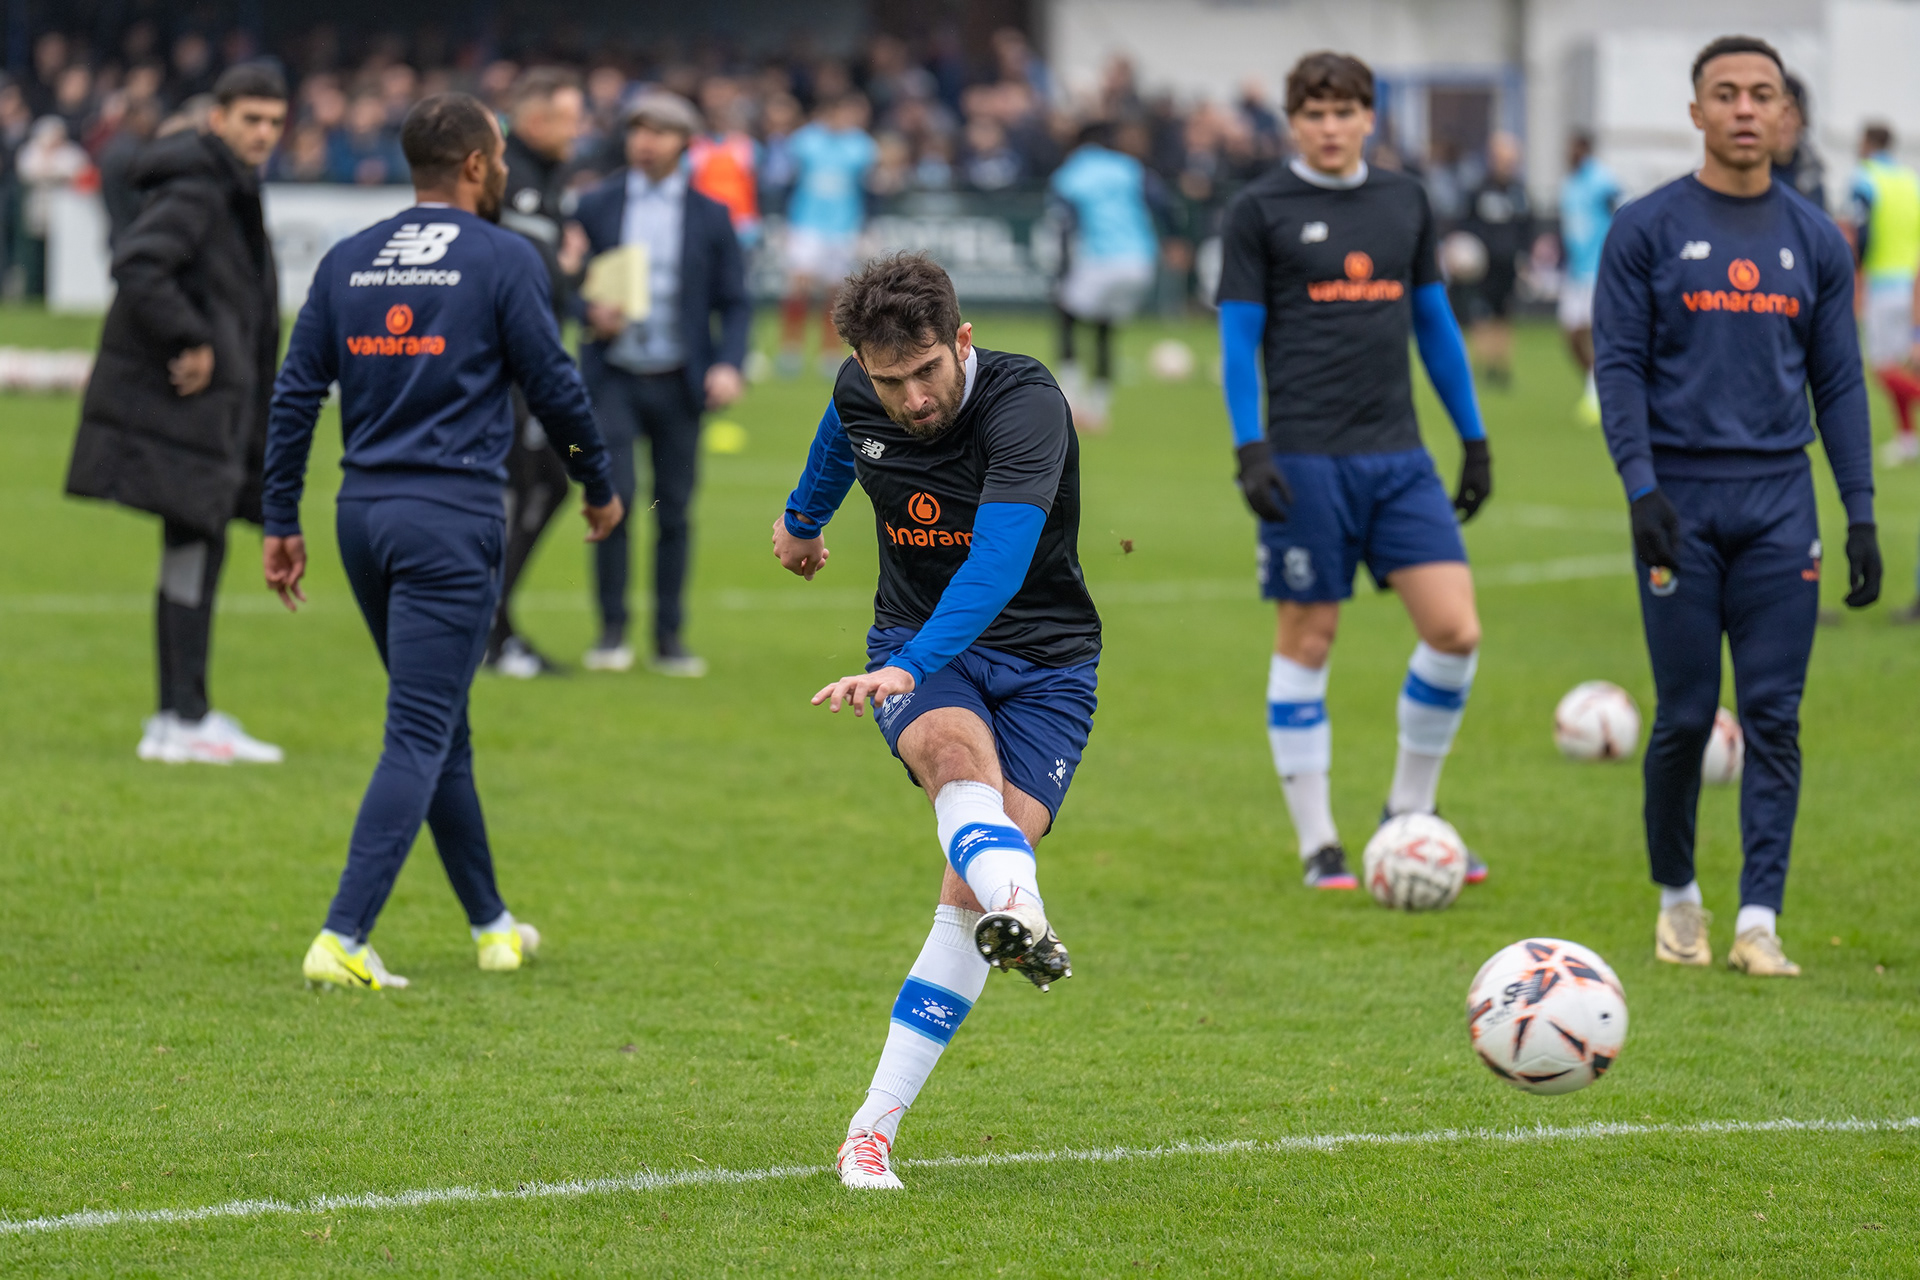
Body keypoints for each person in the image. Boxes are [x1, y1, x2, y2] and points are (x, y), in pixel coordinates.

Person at [260, 93, 623, 990]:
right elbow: (556, 386)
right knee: (420, 728)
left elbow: (297, 393)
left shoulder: (349, 258)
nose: (502, 170)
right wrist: (600, 484)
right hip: (452, 518)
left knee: (442, 720)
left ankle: (492, 924)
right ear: (474, 164)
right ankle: (343, 936)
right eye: (497, 156)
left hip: (362, 518)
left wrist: (278, 517)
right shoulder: (504, 257)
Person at [771, 253, 1100, 1191]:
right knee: (956, 762)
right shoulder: (860, 389)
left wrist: (905, 667)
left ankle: (871, 1122)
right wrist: (803, 518)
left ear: (961, 341)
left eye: (926, 372)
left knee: (968, 888)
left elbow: (997, 563)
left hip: (1047, 662)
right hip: (919, 642)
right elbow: (843, 432)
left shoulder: (1027, 402)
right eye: (890, 382)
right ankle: (1024, 915)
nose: (911, 400)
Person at [1594, 36, 1879, 979]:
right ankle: (1680, 901)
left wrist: (1861, 513)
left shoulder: (1814, 238)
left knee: (1775, 716)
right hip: (1678, 504)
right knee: (1683, 717)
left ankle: (1759, 920)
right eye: (1726, 93)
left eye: (1763, 93)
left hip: (1777, 505)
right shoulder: (1645, 228)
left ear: (1783, 111)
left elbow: (1838, 384)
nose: (1746, 108)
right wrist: (1640, 488)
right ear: (1696, 112)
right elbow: (1620, 367)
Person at [1216, 51, 1492, 892]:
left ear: (1370, 116)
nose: (1330, 128)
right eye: (1314, 112)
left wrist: (1473, 438)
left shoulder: (1406, 200)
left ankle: (1409, 813)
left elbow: (1436, 326)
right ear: (1293, 121)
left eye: (1345, 112)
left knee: (1455, 632)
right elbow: (1236, 341)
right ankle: (1318, 845)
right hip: (1305, 460)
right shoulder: (1257, 209)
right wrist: (1250, 447)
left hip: (1400, 458)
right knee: (1309, 638)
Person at [64, 63, 289, 765]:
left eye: (275, 122)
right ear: (216, 119)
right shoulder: (199, 188)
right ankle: (181, 716)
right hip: (192, 414)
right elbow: (139, 264)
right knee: (195, 549)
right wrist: (188, 337)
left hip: (215, 412)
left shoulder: (226, 186)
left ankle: (180, 713)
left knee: (194, 552)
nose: (263, 133)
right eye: (251, 118)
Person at [570, 92, 752, 677]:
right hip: (613, 376)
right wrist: (586, 310)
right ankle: (611, 632)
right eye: (637, 130)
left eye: (659, 131)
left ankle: (670, 636)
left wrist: (728, 363)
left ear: (684, 142)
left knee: (674, 510)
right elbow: (561, 279)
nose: (645, 141)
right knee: (614, 500)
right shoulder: (596, 204)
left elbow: (737, 301)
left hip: (680, 380)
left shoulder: (710, 214)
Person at [484, 67, 588, 678]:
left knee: (545, 482)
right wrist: (572, 274)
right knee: (517, 489)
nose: (577, 132)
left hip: (535, 367)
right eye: (569, 119)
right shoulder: (508, 178)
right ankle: (489, 632)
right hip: (506, 373)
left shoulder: (546, 179)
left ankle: (493, 624)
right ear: (533, 119)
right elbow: (528, 272)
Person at [1047, 121, 1163, 432]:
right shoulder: (1129, 167)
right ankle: (1098, 408)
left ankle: (1070, 400)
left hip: (1100, 258)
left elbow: (1063, 222)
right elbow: (1160, 201)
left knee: (1066, 316)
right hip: (1140, 260)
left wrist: (1060, 271)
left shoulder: (1071, 172)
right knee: (1104, 328)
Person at [777, 93, 877, 377]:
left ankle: (829, 352)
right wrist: (785, 221)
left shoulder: (861, 146)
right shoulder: (804, 142)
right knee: (798, 285)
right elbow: (788, 181)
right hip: (806, 224)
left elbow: (869, 190)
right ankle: (790, 350)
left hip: (844, 227)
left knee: (835, 292)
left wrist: (867, 226)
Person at [1843, 124, 1920, 470]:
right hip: (1912, 282)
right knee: (1903, 363)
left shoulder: (1865, 178)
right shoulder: (1910, 181)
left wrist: (1856, 271)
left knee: (1881, 367)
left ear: (1868, 143)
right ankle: (1907, 439)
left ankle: (1908, 436)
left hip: (1883, 283)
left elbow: (1862, 229)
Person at [1459, 131, 1533, 389]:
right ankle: (1484, 363)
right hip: (1482, 265)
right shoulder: (1479, 189)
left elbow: (1527, 227)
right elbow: (1465, 223)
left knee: (1504, 314)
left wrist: (1526, 257)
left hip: (1508, 264)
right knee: (1481, 314)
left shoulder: (1519, 192)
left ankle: (1500, 365)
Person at [1557, 131, 1620, 425]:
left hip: (1599, 269)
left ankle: (1598, 394)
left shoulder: (1601, 180)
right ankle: (1594, 381)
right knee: (1570, 333)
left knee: (1599, 334)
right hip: (1575, 270)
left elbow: (1620, 211)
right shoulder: (1569, 184)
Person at [1773, 73, 1826, 210]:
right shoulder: (1745, 177)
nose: (1783, 122)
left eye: (1790, 112)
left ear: (1802, 120)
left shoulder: (1811, 178)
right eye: (1777, 112)